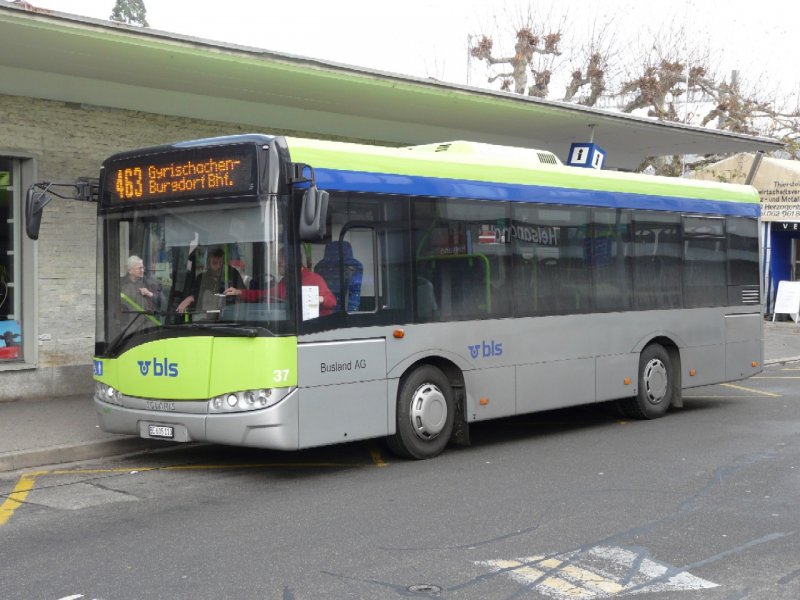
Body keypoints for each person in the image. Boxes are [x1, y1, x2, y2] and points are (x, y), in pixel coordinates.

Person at [224, 248, 336, 317]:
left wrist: (319, 299)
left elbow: (332, 301)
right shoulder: (285, 281)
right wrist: (239, 292)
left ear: (290, 262)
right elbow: (265, 294)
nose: (277, 266)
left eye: (280, 263)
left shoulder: (313, 279)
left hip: (311, 330)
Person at [177, 247, 245, 315]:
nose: (219, 266)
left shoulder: (233, 274)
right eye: (215, 263)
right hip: (208, 319)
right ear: (208, 265)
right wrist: (191, 298)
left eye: (221, 262)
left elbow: (245, 294)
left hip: (231, 316)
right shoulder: (201, 278)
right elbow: (198, 296)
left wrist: (239, 292)